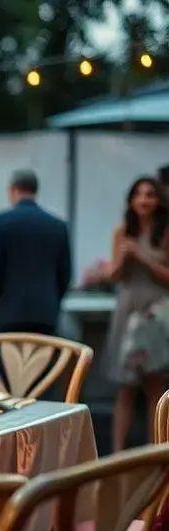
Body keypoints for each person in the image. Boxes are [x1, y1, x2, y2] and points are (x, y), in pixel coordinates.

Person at [102, 177, 169, 450]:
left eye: (150, 194)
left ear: (158, 200)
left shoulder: (165, 232)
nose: (144, 199)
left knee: (156, 386)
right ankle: (118, 455)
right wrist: (121, 259)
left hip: (157, 311)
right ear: (131, 200)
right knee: (125, 387)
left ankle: (155, 452)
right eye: (139, 194)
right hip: (128, 310)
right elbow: (113, 275)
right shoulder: (121, 231)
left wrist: (142, 257)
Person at [0, 170, 71, 335]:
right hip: (45, 313)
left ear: (13, 190)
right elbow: (65, 274)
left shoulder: (0, 223)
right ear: (36, 191)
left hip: (7, 312)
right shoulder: (58, 226)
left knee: (7, 352)